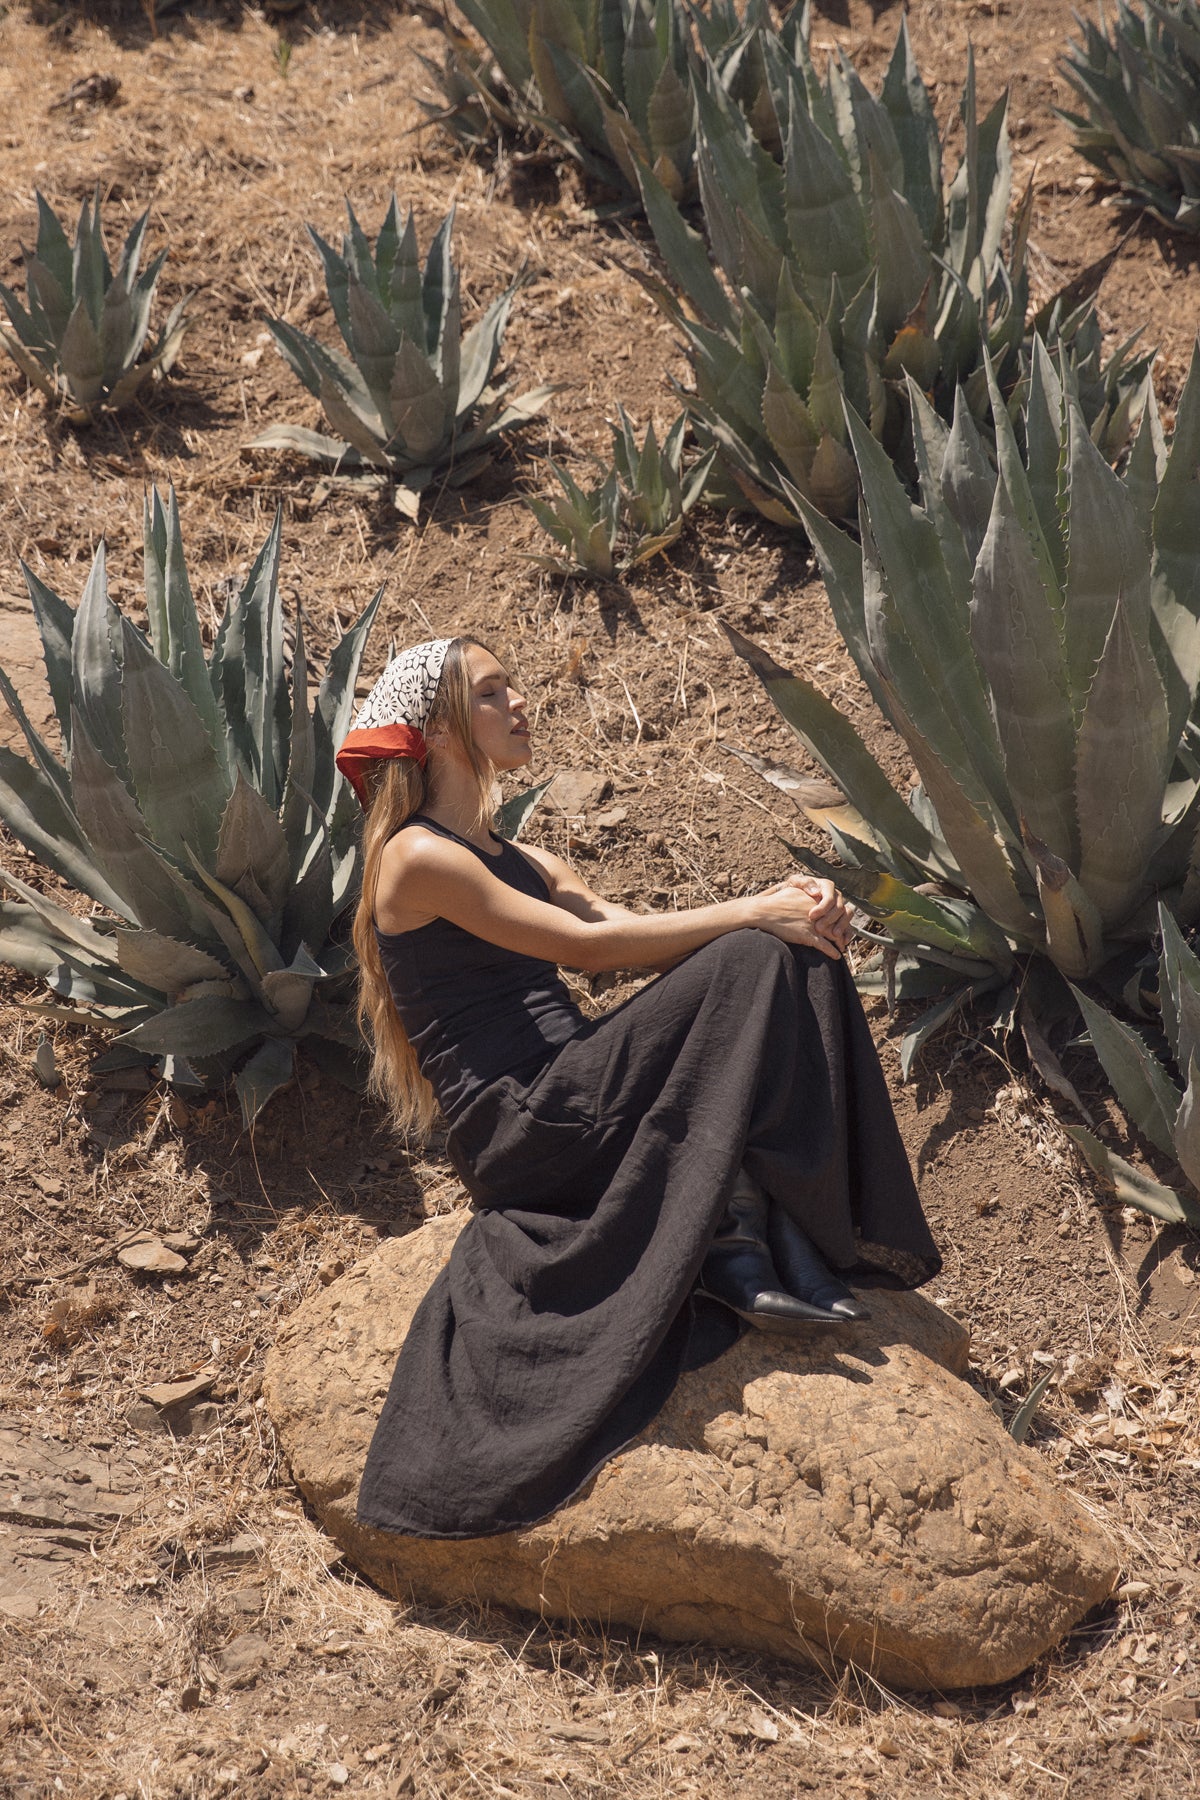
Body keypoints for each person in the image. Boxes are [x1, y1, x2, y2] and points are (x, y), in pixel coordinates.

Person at [336, 635, 941, 1541]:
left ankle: (779, 1230)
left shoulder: (522, 857)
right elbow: (581, 951)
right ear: (441, 730)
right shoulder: (417, 860)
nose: (520, 702)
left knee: (789, 956)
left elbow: (624, 930)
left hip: (579, 1097)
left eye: (514, 683)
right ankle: (737, 1238)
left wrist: (791, 907)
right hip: (522, 1129)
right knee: (751, 946)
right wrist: (749, 917)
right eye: (494, 692)